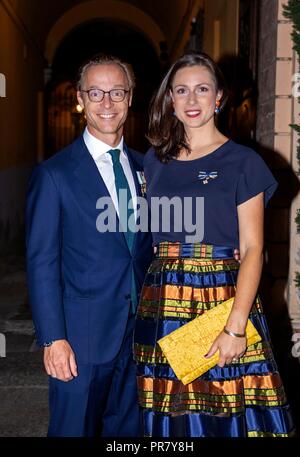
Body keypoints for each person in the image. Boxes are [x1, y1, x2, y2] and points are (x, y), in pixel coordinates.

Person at [133, 52, 295, 437]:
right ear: (170, 98)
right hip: (163, 302)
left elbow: (254, 248)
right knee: (170, 417)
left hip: (221, 301)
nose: (192, 101)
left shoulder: (244, 162)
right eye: (182, 91)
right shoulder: (154, 161)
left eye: (202, 90)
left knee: (224, 412)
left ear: (219, 97)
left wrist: (236, 327)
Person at [26, 54, 153, 437]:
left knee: (129, 433)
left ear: (130, 98)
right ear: (80, 99)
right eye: (96, 93)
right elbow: (41, 262)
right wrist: (53, 338)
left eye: (117, 92)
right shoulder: (54, 174)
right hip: (80, 337)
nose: (107, 103)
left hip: (138, 334)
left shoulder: (147, 167)